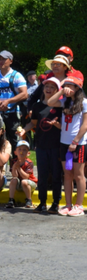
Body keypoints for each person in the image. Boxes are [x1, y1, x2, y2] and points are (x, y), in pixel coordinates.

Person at [19, 77, 62, 213]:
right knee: (42, 176)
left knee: (56, 175)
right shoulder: (37, 106)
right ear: (43, 89)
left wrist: (57, 125)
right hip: (41, 145)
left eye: (52, 87)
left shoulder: (60, 106)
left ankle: (56, 203)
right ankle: (42, 202)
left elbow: (65, 127)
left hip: (56, 146)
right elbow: (34, 123)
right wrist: (23, 130)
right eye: (46, 86)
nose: (48, 89)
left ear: (57, 90)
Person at [46, 74, 87, 216]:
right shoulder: (65, 102)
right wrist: (61, 91)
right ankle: (68, 205)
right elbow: (50, 102)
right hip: (64, 143)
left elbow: (85, 124)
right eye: (66, 86)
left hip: (78, 144)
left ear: (77, 88)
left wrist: (75, 141)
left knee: (79, 175)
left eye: (69, 86)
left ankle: (79, 206)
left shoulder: (84, 102)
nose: (67, 88)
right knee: (67, 174)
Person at [0, 50, 27, 155]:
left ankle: (15, 166)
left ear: (10, 61)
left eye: (4, 59)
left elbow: (24, 93)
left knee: (14, 140)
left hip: (13, 113)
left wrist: (8, 101)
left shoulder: (17, 76)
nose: (1, 61)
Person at [7, 141, 38, 209]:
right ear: (15, 152)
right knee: (13, 180)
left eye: (24, 150)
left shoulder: (29, 163)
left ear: (28, 153)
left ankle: (29, 200)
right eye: (20, 149)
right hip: (20, 183)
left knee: (24, 181)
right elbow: (14, 175)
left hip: (30, 183)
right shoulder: (13, 161)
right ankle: (11, 200)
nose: (22, 151)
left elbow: (26, 177)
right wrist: (15, 167)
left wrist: (19, 168)